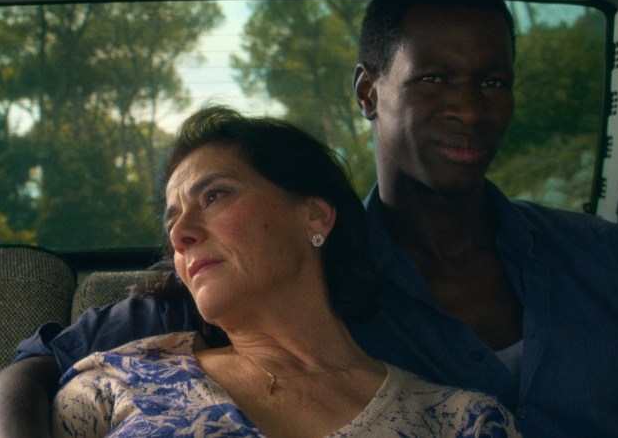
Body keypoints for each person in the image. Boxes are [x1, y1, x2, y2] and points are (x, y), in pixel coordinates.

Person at [0, 0, 618, 436]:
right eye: (433, 79)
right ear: (368, 92)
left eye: (493, 81)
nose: (469, 108)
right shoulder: (268, 275)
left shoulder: (610, 258)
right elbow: (28, 373)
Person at [51, 105, 520, 437]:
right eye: (171, 222)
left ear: (314, 215)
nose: (181, 234)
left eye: (214, 196)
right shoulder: (118, 380)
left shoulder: (459, 422)